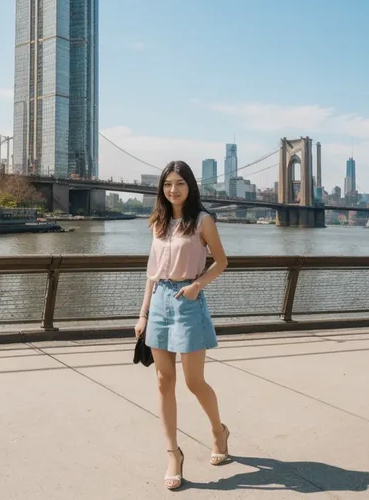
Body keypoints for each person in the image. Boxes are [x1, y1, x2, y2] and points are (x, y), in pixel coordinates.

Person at [135, 160, 229, 491]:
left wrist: (197, 286)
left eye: (180, 183)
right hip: (160, 300)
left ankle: (218, 431)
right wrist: (143, 313)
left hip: (188, 301)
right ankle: (173, 454)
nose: (173, 190)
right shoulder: (158, 223)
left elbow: (222, 261)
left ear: (190, 187)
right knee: (164, 381)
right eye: (167, 184)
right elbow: (151, 272)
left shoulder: (203, 221)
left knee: (193, 381)